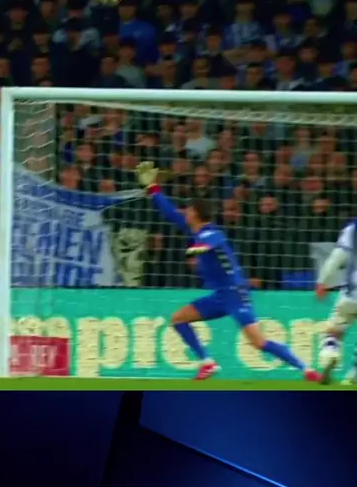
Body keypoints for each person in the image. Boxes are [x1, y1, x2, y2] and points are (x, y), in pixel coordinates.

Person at [135, 161, 321, 382]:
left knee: (259, 342)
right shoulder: (195, 230)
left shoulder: (212, 233)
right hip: (220, 295)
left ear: (195, 214)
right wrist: (154, 189)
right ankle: (207, 362)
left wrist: (198, 249)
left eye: (188, 210)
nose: (184, 213)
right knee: (178, 319)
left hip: (235, 294)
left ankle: (306, 369)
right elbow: (170, 213)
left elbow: (212, 242)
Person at [316, 218, 357, 384]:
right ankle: (354, 374)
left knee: (335, 329)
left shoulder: (353, 229)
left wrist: (322, 281)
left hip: (351, 293)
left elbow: (336, 258)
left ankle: (330, 352)